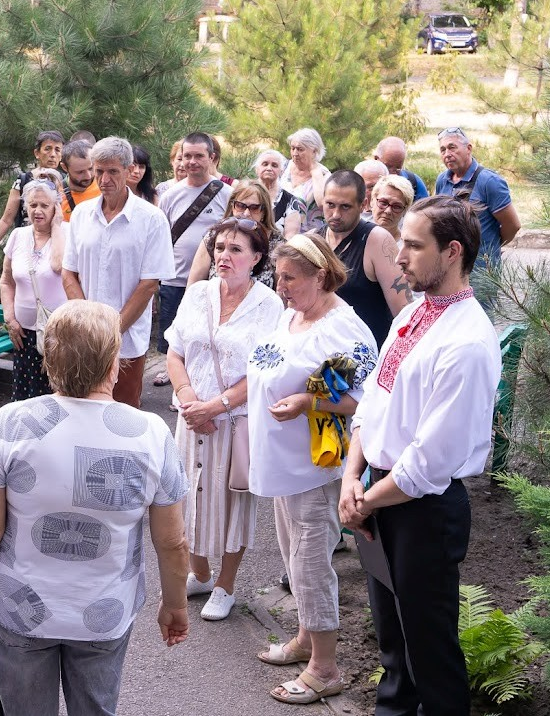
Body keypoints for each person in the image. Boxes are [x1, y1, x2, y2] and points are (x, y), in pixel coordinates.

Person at [0, 300, 191, 716]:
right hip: (104, 608)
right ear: (113, 364)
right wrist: (174, 604)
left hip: (19, 606)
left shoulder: (11, 422)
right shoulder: (150, 434)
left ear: (48, 359)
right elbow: (171, 541)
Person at [339, 195, 501, 716]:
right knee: (393, 647)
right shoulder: (411, 314)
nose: (400, 255)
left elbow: (430, 460)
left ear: (452, 252)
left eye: (413, 244)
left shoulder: (468, 342)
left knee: (430, 654)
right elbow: (372, 404)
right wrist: (351, 479)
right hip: (380, 494)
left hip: (422, 509)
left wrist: (367, 502)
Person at [248, 232, 378, 705]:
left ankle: (325, 668)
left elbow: (361, 399)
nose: (280, 287)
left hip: (315, 468)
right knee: (291, 553)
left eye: (290, 278)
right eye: (278, 276)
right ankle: (305, 639)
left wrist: (308, 400)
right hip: (284, 463)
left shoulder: (342, 329)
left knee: (310, 564)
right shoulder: (294, 313)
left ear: (321, 275)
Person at [165, 217, 284, 621]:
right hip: (191, 414)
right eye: (220, 248)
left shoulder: (269, 304)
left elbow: (264, 371)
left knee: (233, 503)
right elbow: (175, 351)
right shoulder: (198, 293)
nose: (225, 256)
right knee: (187, 494)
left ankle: (225, 585)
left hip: (234, 421)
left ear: (256, 258)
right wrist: (187, 399)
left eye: (236, 250)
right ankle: (200, 572)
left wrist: (214, 407)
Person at [63, 136, 174, 409]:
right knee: (81, 409)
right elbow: (69, 274)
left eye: (112, 171)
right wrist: (88, 325)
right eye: (98, 171)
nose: (104, 179)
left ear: (129, 170)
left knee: (122, 415)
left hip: (125, 340)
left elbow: (149, 284)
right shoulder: (81, 215)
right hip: (84, 336)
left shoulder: (151, 219)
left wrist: (110, 332)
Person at [154, 132, 233, 385]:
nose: (192, 162)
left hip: (214, 281)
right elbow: (160, 239)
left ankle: (198, 380)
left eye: (199, 156)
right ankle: (174, 378)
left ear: (211, 157)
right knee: (173, 332)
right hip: (174, 279)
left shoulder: (227, 194)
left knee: (204, 335)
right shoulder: (169, 195)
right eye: (187, 156)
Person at [321, 169, 411, 348]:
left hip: (366, 356)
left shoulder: (377, 241)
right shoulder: (314, 239)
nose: (336, 214)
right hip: (319, 355)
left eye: (345, 206)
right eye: (330, 204)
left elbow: (404, 314)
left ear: (363, 205)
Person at [0, 179, 68, 401]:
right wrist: (9, 318)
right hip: (23, 333)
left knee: (56, 395)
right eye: (32, 205)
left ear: (56, 207)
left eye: (44, 205)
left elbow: (58, 266)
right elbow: (6, 281)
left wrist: (57, 226)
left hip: (59, 334)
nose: (37, 211)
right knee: (26, 396)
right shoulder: (18, 236)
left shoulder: (68, 233)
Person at [0, 130, 65, 265]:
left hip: (58, 245)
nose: (53, 154)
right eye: (47, 149)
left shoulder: (67, 182)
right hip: (28, 245)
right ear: (37, 153)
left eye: (57, 150)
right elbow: (6, 219)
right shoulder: (23, 180)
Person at [434, 127, 521, 271]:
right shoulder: (442, 180)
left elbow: (512, 225)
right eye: (443, 150)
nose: (447, 154)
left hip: (481, 271)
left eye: (452, 147)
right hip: (449, 267)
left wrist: (489, 248)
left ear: (468, 148)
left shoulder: (490, 181)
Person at [185, 180, 282, 289]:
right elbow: (193, 285)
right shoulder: (213, 236)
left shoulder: (277, 243)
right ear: (232, 206)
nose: (246, 213)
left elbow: (282, 290)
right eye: (240, 206)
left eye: (254, 208)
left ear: (264, 211)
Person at [279, 128, 331, 233]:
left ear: (314, 151)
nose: (295, 153)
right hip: (278, 234)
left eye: (300, 149)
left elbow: (323, 204)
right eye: (292, 148)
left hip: (307, 238)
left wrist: (315, 172)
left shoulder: (324, 175)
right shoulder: (283, 167)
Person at [253, 149, 305, 238]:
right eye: (265, 164)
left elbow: (290, 237)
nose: (269, 168)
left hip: (277, 250)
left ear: (281, 171)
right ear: (256, 169)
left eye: (274, 165)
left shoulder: (290, 201)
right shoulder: (245, 194)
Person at [374, 136, 429, 203]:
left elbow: (425, 211)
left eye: (398, 168)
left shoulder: (414, 183)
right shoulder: (365, 180)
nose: (393, 174)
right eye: (388, 167)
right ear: (376, 159)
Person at [59, 139, 100, 222]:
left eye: (91, 168)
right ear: (64, 167)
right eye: (80, 172)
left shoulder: (105, 186)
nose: (88, 176)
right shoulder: (58, 196)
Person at [370, 174, 416, 242]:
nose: (388, 211)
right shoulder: (355, 235)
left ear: (405, 210)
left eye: (397, 206)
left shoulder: (407, 247)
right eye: (383, 202)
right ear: (372, 201)